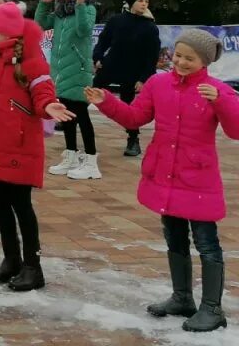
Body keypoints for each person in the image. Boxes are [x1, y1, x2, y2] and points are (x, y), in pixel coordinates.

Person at [86, 30, 239, 333]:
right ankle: (182, 297)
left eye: (189, 58)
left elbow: (235, 130)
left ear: (204, 61)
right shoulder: (158, 83)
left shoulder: (216, 89)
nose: (180, 62)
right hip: (165, 175)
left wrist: (220, 101)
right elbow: (134, 118)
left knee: (207, 243)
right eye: (177, 55)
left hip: (198, 180)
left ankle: (212, 308)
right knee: (175, 238)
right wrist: (107, 102)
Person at [0, 2, 76, 292]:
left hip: (20, 146)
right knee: (0, 203)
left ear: (9, 32)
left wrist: (49, 105)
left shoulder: (32, 62)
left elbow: (43, 92)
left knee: (21, 206)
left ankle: (32, 267)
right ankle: (10, 259)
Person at [36, 0, 100, 180]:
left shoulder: (88, 9)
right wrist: (45, 4)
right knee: (67, 114)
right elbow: (40, 25)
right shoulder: (61, 11)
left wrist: (81, 5)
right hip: (60, 71)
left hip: (78, 71)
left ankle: (91, 161)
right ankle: (71, 154)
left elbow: (83, 30)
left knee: (82, 115)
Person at [92, 0, 160, 157]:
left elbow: (152, 56)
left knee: (129, 105)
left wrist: (144, 78)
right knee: (92, 90)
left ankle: (133, 138)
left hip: (133, 71)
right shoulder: (117, 21)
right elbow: (103, 41)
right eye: (140, 0)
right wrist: (98, 58)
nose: (144, 4)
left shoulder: (150, 27)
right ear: (131, 3)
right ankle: (72, 120)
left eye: (146, 1)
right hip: (112, 65)